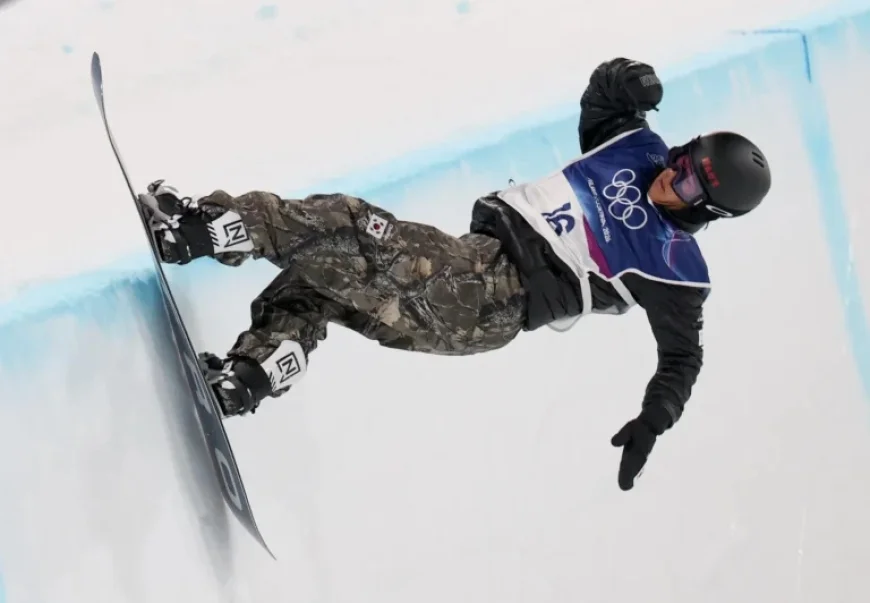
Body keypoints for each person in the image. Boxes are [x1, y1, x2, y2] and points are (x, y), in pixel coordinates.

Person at [138, 57, 771, 491]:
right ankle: (254, 373)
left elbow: (682, 359)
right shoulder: (633, 148)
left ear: (706, 209)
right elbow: (603, 94)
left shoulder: (672, 267)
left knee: (350, 224)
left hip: (490, 295)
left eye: (686, 181)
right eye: (683, 157)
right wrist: (632, 78)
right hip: (471, 261)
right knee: (317, 280)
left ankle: (202, 229)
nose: (671, 173)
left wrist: (653, 418)